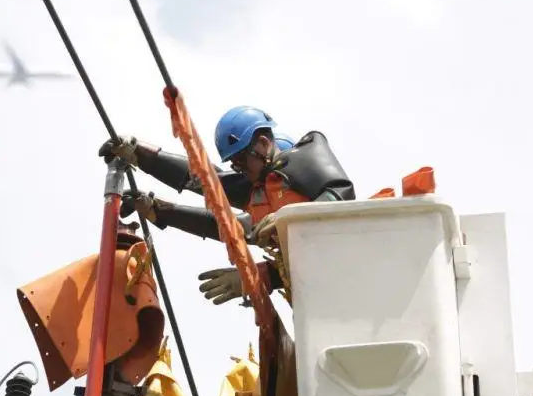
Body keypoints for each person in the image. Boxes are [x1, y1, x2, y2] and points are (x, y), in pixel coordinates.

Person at [98, 106, 355, 304]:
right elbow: (212, 199)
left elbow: (341, 194)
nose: (240, 171)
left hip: (351, 280)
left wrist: (289, 219)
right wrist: (154, 202)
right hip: (323, 301)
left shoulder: (300, 163)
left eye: (242, 161)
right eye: (235, 165)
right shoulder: (260, 197)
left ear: (265, 144)